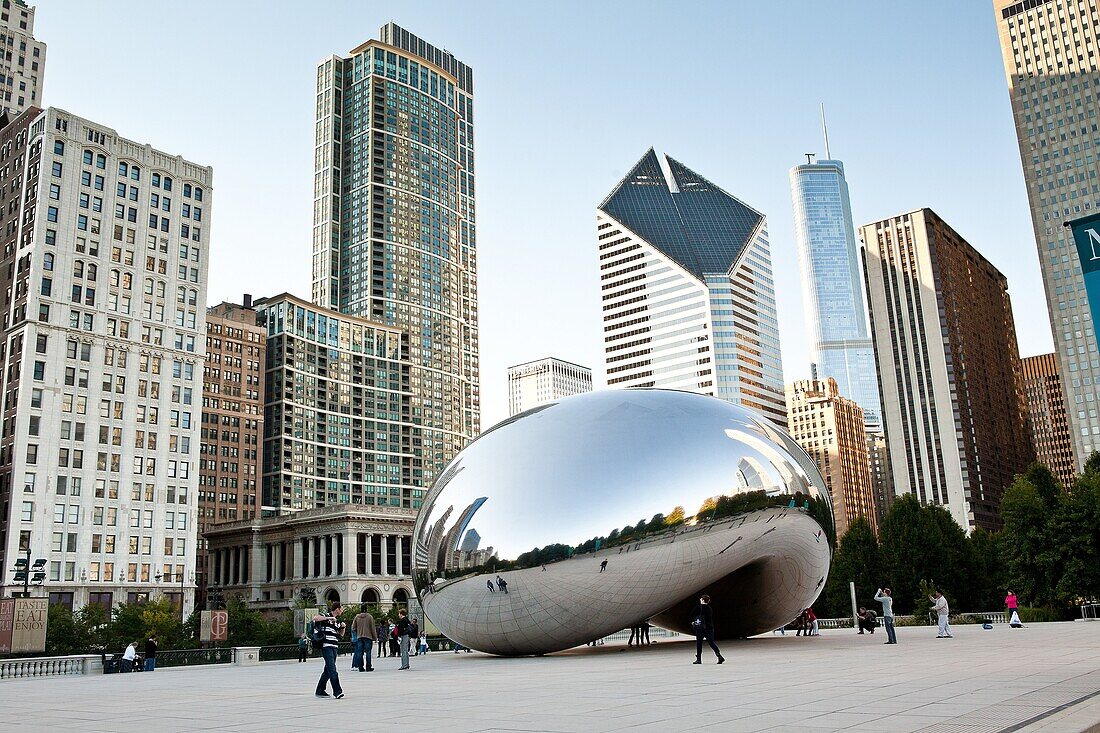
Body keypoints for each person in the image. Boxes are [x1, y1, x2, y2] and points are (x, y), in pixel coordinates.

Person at [313, 603, 346, 698]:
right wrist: (329, 619)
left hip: (334, 646)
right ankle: (337, 691)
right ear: (337, 609)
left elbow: (341, 635)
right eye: (341, 609)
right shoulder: (326, 615)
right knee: (332, 669)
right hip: (326, 646)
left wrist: (343, 628)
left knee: (328, 670)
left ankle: (320, 690)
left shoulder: (337, 621)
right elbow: (315, 618)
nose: (342, 611)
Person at [690, 594, 724, 665]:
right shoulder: (709, 608)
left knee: (699, 643)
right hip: (709, 628)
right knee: (711, 642)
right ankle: (719, 656)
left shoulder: (698, 607)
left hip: (700, 628)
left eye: (701, 599)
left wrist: (693, 622)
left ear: (702, 600)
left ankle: (698, 659)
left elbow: (692, 614)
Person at [351, 607, 376, 672]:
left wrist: (358, 632)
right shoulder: (370, 617)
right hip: (368, 637)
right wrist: (375, 637)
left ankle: (360, 667)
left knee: (359, 652)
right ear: (366, 610)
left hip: (359, 637)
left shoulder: (357, 617)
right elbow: (373, 628)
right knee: (368, 652)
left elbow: (353, 628)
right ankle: (368, 667)